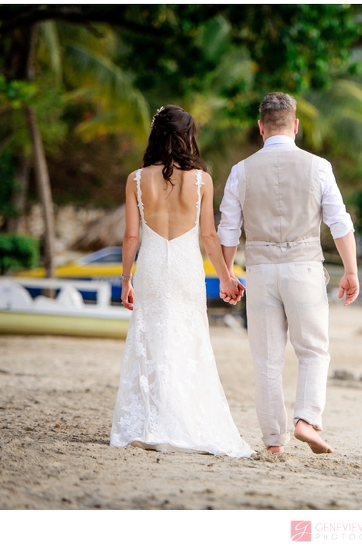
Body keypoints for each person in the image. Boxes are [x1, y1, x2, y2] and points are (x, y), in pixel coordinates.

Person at [218, 92, 359, 454]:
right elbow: (339, 223)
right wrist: (351, 271)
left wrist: (227, 276)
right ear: (295, 126)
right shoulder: (318, 166)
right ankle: (306, 420)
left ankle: (272, 443)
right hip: (305, 268)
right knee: (313, 350)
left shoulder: (241, 171)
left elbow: (228, 231)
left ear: (261, 127)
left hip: (261, 270)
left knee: (266, 360)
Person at [110, 105, 253, 457]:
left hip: (154, 267)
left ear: (156, 134)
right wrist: (226, 276)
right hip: (187, 269)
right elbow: (208, 236)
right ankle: (184, 422)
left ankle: (153, 422)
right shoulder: (202, 180)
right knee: (189, 342)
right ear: (188, 137)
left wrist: (126, 278)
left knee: (153, 340)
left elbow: (131, 237)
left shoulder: (136, 179)